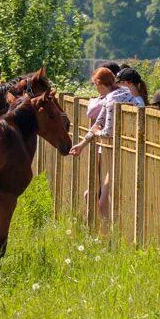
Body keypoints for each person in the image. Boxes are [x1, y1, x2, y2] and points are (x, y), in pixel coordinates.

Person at [69, 67, 136, 223]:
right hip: (128, 148)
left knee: (104, 201)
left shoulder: (112, 100)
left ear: (100, 84)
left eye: (96, 85)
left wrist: (97, 135)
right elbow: (98, 122)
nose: (96, 90)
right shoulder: (125, 93)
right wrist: (82, 144)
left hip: (119, 152)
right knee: (103, 198)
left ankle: (107, 235)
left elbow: (106, 131)